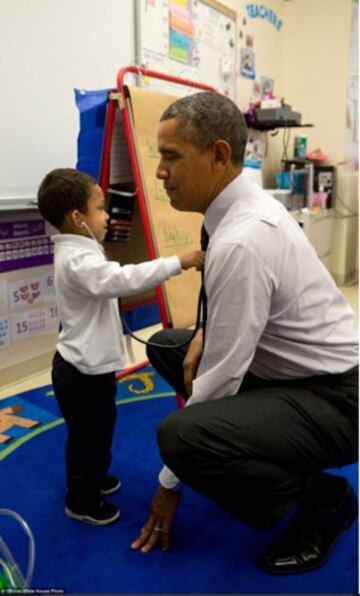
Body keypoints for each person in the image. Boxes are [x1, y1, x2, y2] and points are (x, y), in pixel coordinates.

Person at [130, 92, 358, 574]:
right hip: (305, 377)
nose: (159, 173)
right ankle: (269, 459)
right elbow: (231, 325)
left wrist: (171, 481)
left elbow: (222, 376)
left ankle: (322, 501)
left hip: (343, 398)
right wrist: (205, 329)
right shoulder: (233, 212)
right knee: (171, 346)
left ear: (218, 155)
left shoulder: (242, 239)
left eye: (171, 158)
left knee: (182, 437)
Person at [37, 168, 204, 526]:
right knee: (89, 439)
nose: (108, 215)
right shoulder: (78, 260)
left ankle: (94, 474)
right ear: (77, 218)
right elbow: (122, 279)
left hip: (88, 367)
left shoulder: (81, 248)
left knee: (98, 430)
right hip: (81, 373)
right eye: (100, 208)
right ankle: (80, 500)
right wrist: (179, 262)